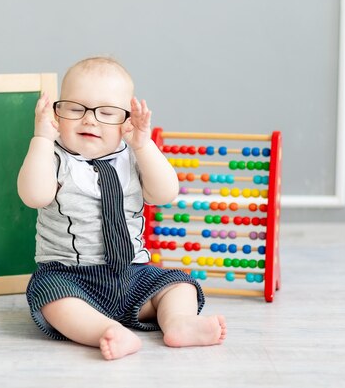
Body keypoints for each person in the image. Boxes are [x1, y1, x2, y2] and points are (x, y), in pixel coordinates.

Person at [17, 57, 226, 360]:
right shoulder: (54, 158)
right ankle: (104, 331)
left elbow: (166, 193)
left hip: (133, 274)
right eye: (75, 109)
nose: (89, 120)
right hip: (71, 277)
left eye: (107, 113)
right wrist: (41, 139)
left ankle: (179, 323)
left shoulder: (134, 157)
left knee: (179, 283)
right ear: (57, 115)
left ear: (126, 121)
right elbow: (34, 196)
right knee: (49, 297)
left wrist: (144, 144)